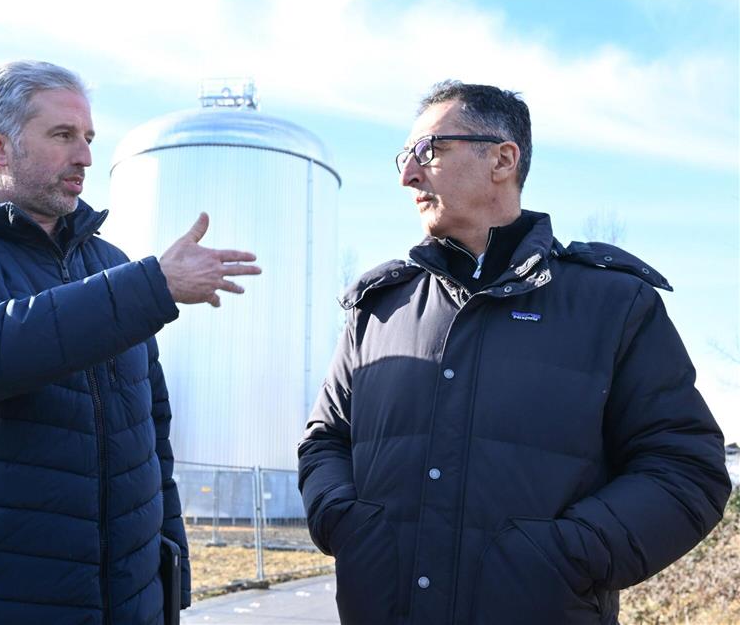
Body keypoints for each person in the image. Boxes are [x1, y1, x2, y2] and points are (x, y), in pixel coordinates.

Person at [297, 81, 731, 625]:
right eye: (404, 158)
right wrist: (346, 523)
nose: (408, 175)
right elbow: (325, 441)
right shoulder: (379, 309)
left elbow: (685, 470)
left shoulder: (613, 304)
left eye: (428, 151)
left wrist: (566, 557)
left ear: (503, 159)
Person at [0, 60, 261, 625]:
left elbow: (152, 440)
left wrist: (169, 578)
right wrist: (154, 285)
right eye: (62, 135)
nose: (84, 156)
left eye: (88, 138)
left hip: (127, 604)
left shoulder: (114, 267)